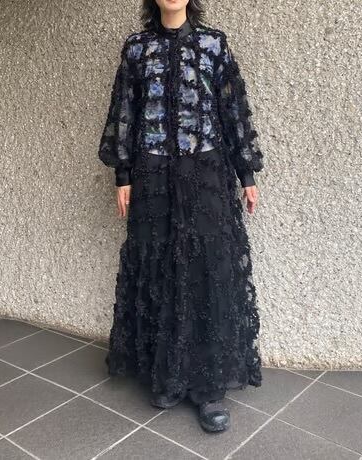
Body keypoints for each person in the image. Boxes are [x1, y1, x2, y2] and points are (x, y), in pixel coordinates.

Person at [98, 0, 264, 433]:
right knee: (160, 267)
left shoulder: (213, 45)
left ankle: (208, 387)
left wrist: (246, 172)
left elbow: (232, 110)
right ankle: (168, 375)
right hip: (153, 173)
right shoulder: (137, 48)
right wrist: (122, 175)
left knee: (207, 270)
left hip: (205, 170)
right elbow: (125, 111)